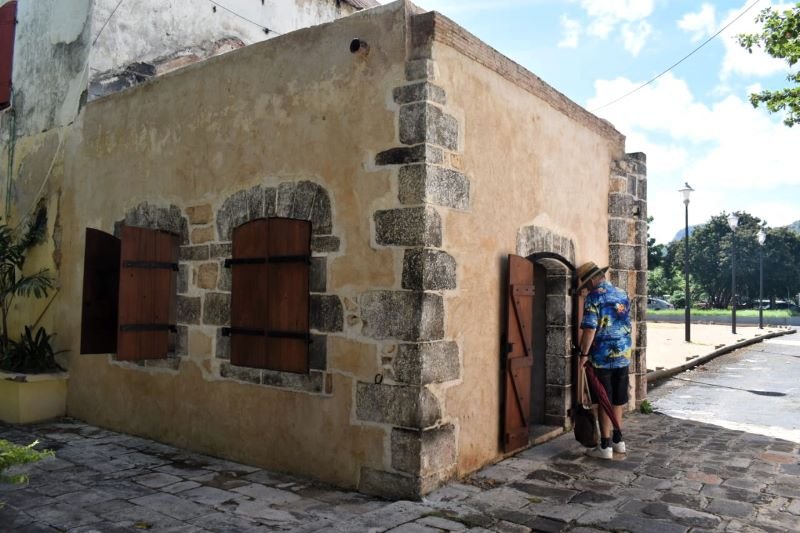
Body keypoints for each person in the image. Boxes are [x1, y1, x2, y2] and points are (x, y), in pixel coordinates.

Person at [576, 261, 632, 459]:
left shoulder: (594, 297)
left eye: (586, 284)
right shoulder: (622, 294)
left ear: (591, 280)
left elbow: (590, 329)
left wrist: (583, 355)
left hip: (602, 358)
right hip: (623, 356)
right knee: (618, 400)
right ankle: (619, 442)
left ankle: (605, 445)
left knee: (603, 400)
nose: (586, 288)